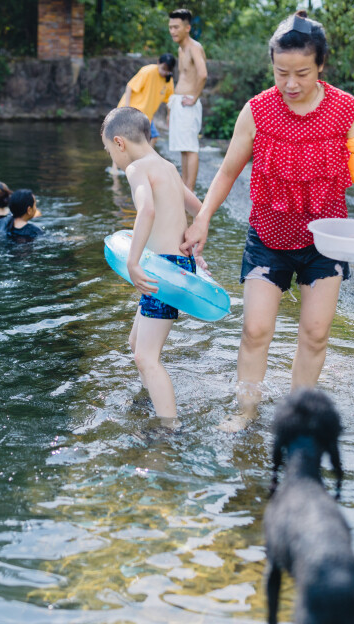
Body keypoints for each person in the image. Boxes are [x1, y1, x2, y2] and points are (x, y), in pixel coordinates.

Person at [181, 10, 354, 431]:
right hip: (268, 236)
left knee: (314, 334)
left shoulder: (347, 109)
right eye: (281, 72)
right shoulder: (257, 110)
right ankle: (245, 411)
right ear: (272, 65)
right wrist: (202, 220)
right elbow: (227, 172)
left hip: (325, 241)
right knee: (255, 330)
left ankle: (294, 416)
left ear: (321, 65)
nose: (290, 84)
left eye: (302, 73)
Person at [102, 106, 204, 425]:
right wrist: (194, 250)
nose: (113, 161)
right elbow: (198, 208)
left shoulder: (136, 169)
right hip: (177, 265)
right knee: (136, 344)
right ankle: (152, 398)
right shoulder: (167, 167)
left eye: (109, 152)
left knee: (146, 357)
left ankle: (169, 429)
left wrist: (133, 262)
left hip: (162, 270)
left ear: (119, 143)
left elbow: (145, 211)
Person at [167, 8, 207, 192]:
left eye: (176, 27)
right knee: (183, 147)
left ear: (187, 28)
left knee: (190, 147)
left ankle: (189, 189)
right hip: (179, 103)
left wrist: (194, 98)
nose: (173, 31)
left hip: (188, 103)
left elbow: (203, 74)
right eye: (170, 27)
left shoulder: (194, 48)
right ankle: (185, 186)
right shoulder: (181, 49)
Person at [116, 54, 176, 149]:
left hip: (146, 115)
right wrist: (126, 108)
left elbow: (170, 100)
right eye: (163, 69)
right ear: (158, 63)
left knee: (153, 137)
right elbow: (130, 86)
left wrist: (169, 115)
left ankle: (143, 161)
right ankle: (117, 164)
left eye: (167, 70)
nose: (165, 72)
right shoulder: (148, 71)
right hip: (133, 111)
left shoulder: (169, 80)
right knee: (126, 140)